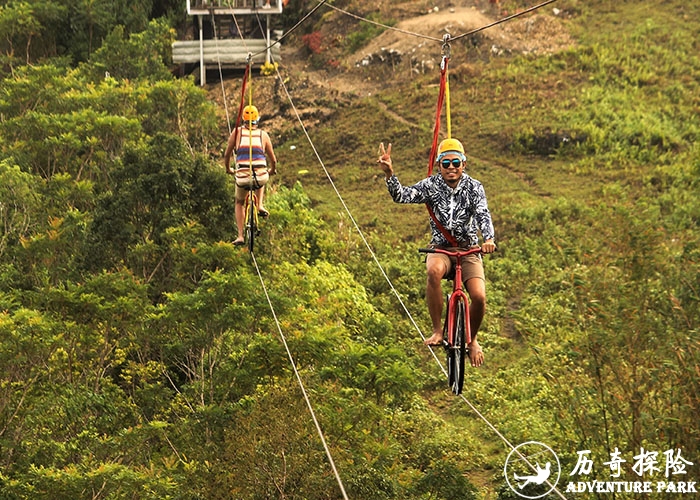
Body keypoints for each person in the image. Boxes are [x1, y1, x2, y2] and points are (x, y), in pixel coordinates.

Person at [376, 139, 496, 367]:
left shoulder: (474, 187)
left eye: (456, 163)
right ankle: (438, 330)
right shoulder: (431, 185)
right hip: (441, 248)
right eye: (446, 163)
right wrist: (390, 174)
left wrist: (488, 239)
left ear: (464, 163)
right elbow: (402, 195)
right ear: (439, 164)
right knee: (433, 271)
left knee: (479, 297)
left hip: (469, 249)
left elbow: (483, 214)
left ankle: (473, 339)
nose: (451, 168)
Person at [224, 105, 277, 246]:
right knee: (261, 177)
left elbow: (227, 154)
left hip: (242, 176)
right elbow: (273, 160)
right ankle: (259, 205)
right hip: (260, 176)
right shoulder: (263, 135)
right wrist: (272, 170)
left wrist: (228, 169)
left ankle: (240, 235)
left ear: (243, 119)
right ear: (257, 120)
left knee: (239, 202)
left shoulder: (236, 133)